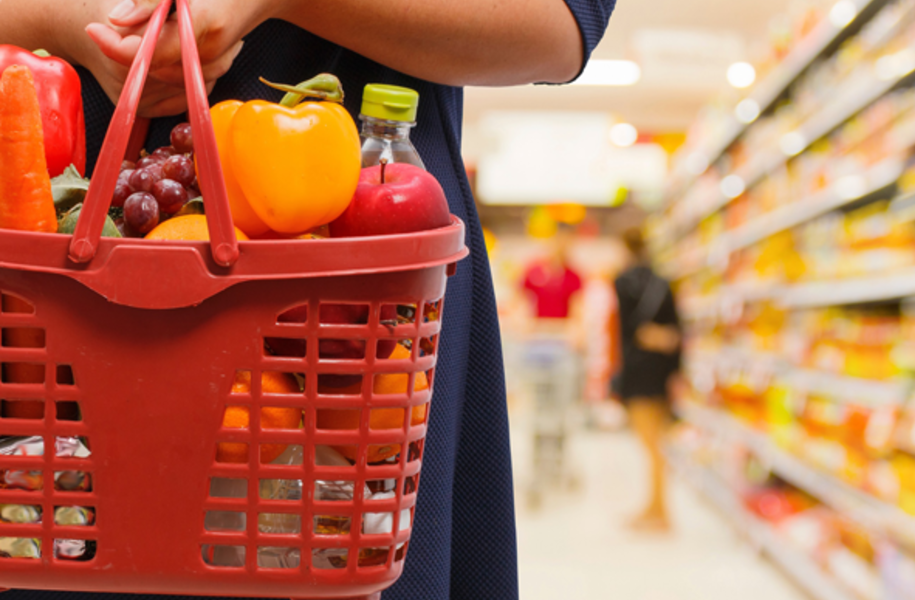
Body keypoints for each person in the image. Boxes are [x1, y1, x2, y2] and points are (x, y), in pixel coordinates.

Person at [0, 1, 616, 599]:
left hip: (364, 263)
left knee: (337, 531)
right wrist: (71, 18)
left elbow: (563, 25)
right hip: (50, 229)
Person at [613, 227, 681, 532]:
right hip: (662, 372)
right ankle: (655, 507)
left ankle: (659, 512)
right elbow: (677, 334)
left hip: (638, 372)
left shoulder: (621, 282)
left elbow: (622, 333)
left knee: (651, 445)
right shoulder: (664, 283)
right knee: (657, 444)